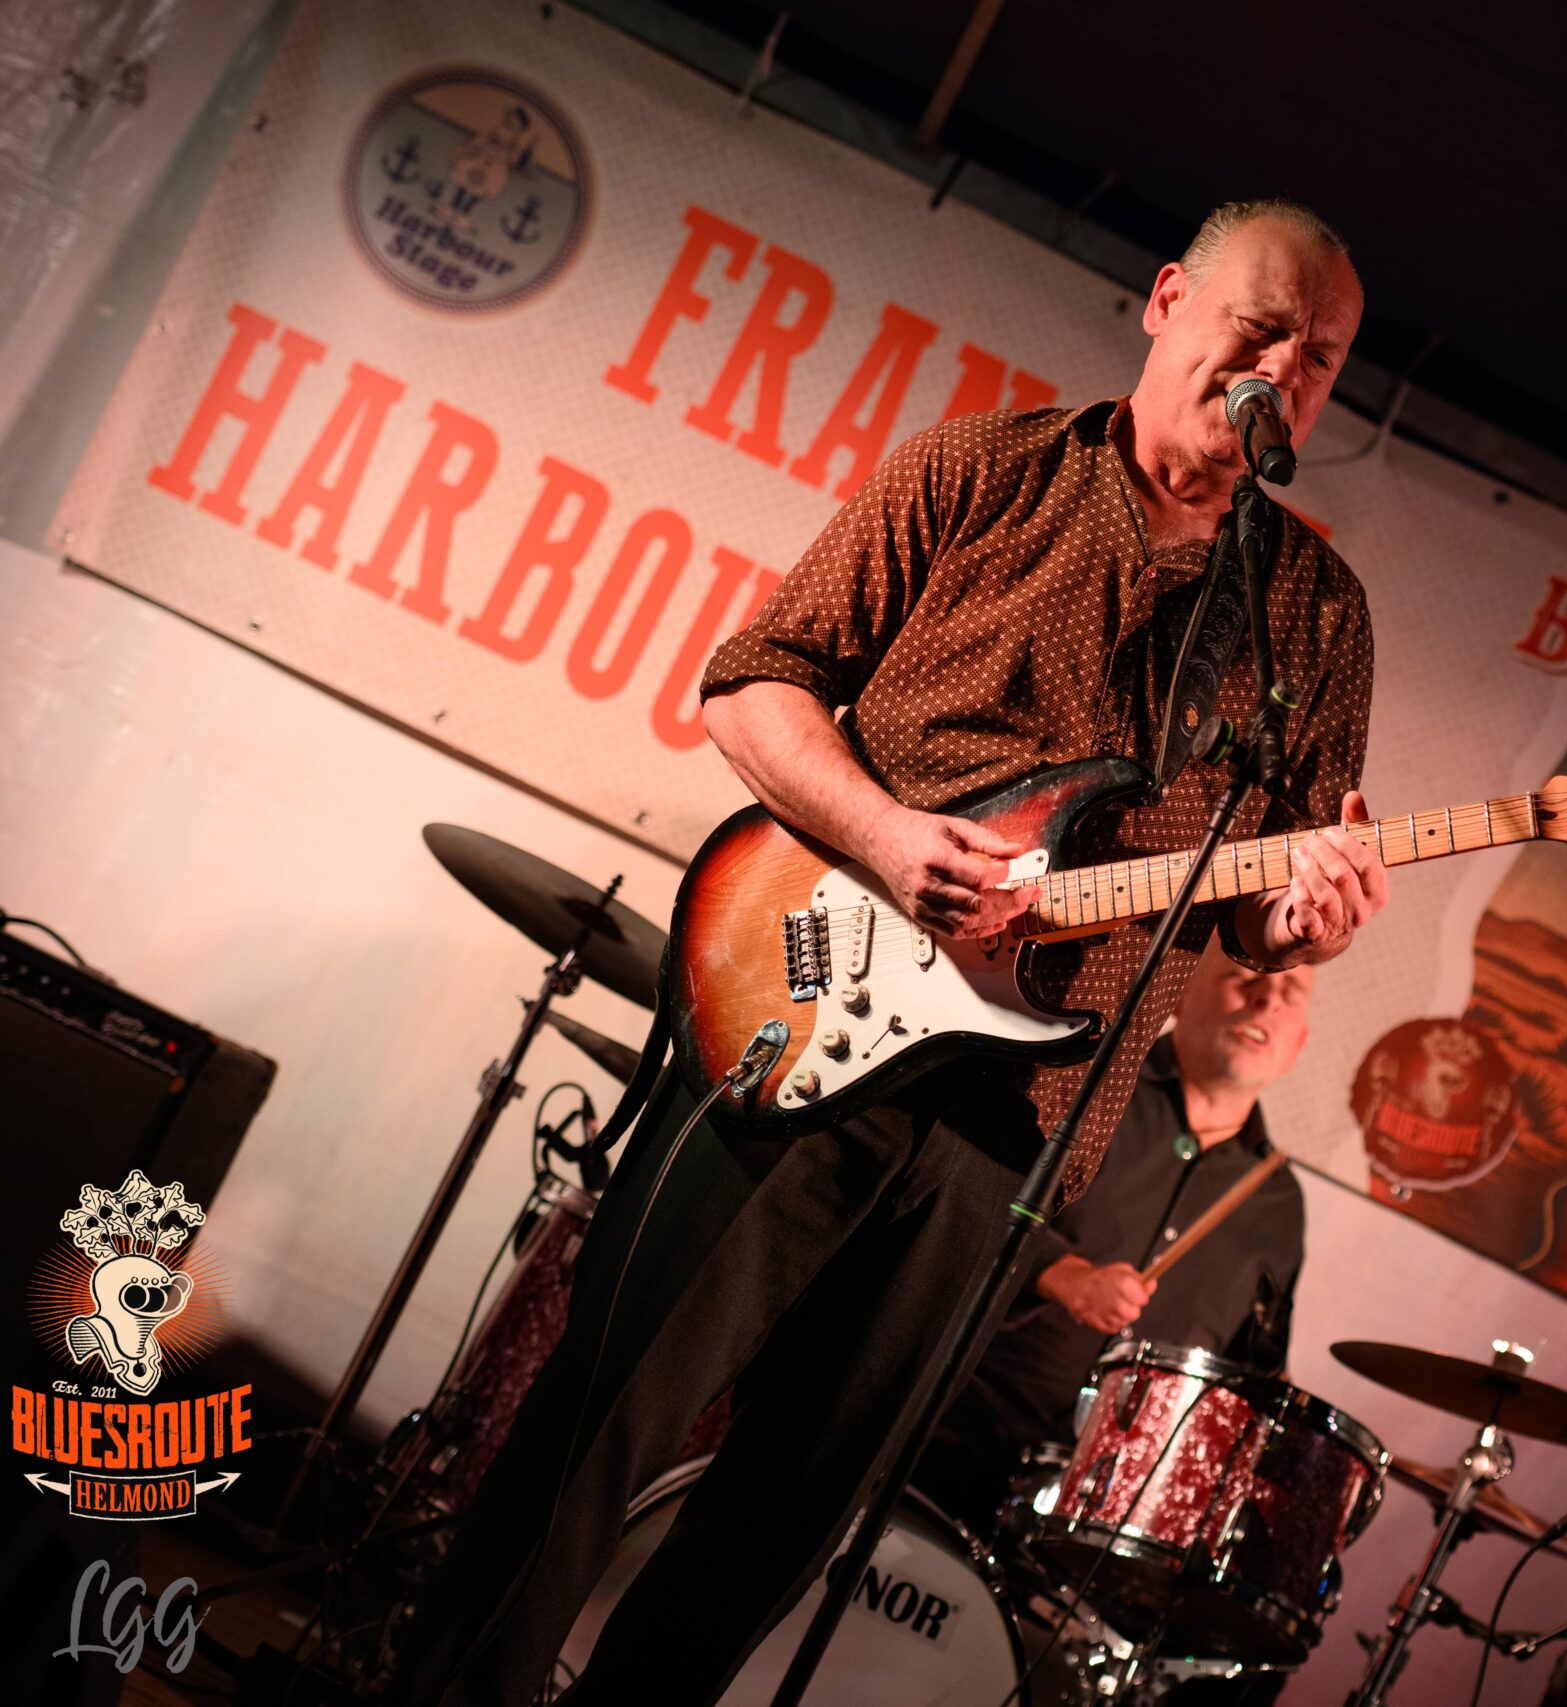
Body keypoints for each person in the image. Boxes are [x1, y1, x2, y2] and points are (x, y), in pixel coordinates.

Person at [393, 198, 1388, 1707]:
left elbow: (1262, 901)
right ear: (1167, 300)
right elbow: (752, 684)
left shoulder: (1315, 616)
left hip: (1027, 1120)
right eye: (1261, 328)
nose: (1281, 374)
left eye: (1317, 360)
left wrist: (1304, 913)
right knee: (597, 1432)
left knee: (782, 1519)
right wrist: (882, 832)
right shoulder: (978, 470)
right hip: (806, 1012)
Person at [915, 941, 1315, 1533]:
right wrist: (1063, 1274)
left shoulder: (1280, 1207)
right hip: (946, 1434)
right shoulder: (1089, 1083)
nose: (1267, 1000)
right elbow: (963, 1195)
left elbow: (1254, 1370)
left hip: (1097, 1519)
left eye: (1291, 993)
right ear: (1180, 996)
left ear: (1298, 1046)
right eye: (1244, 977)